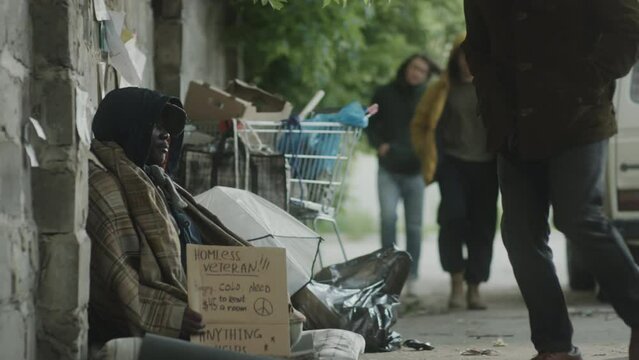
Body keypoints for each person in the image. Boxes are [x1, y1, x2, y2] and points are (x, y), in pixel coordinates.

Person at [463, 1, 639, 359]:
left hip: (578, 113)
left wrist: (590, 77)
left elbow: (628, 25)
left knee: (578, 218)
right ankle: (555, 346)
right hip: (512, 125)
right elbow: (477, 46)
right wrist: (491, 97)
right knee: (520, 234)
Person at [87, 87, 249, 347]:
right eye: (155, 124)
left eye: (169, 127)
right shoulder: (102, 188)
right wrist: (173, 315)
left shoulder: (157, 182)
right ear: (127, 126)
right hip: (163, 330)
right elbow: (114, 288)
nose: (167, 134)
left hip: (207, 307)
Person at [411, 35, 498, 311]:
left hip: (487, 166)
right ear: (456, 57)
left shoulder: (494, 87)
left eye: (473, 55)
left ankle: (475, 287)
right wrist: (429, 156)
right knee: (453, 217)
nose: (467, 61)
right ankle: (456, 282)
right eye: (463, 55)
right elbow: (420, 124)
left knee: (483, 225)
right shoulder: (442, 88)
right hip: (453, 165)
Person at [366, 54, 438, 293]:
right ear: (406, 67)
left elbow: (435, 127)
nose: (416, 72)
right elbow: (370, 122)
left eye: (422, 70)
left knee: (415, 226)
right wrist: (380, 145)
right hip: (388, 168)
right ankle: (386, 272)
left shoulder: (429, 96)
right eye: (413, 67)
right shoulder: (385, 93)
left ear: (427, 76)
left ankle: (412, 277)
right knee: (388, 218)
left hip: (415, 170)